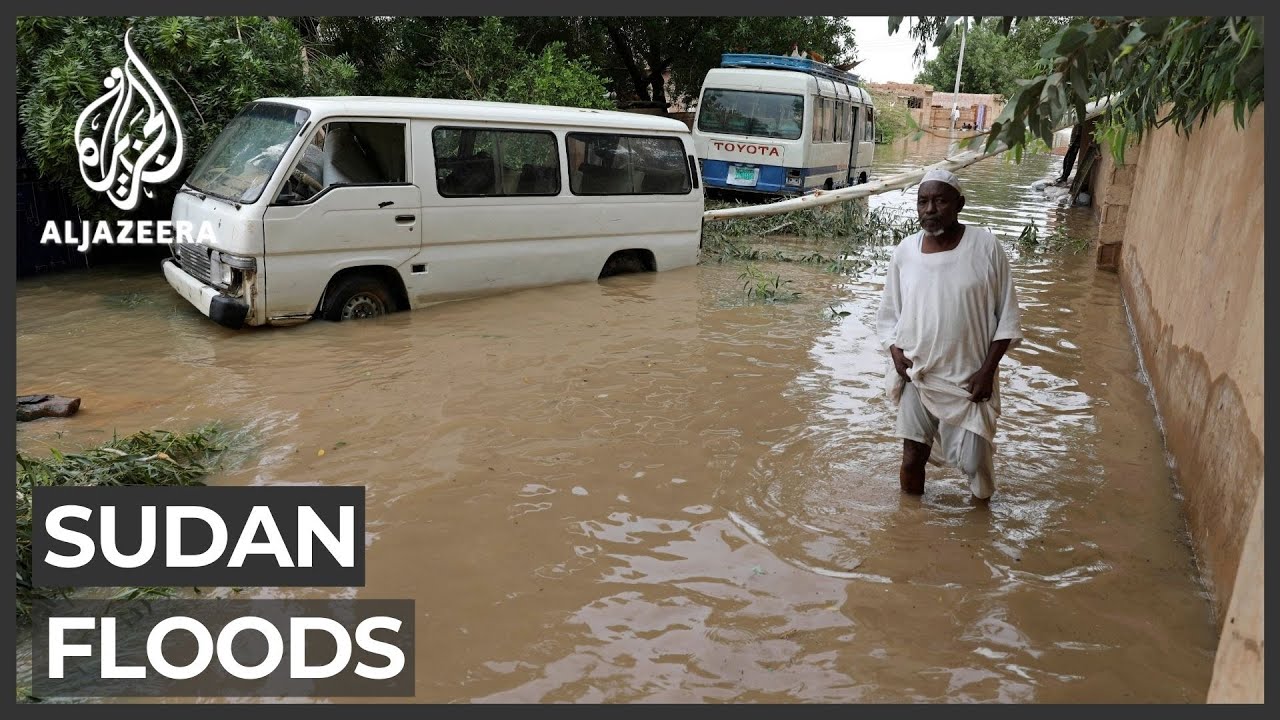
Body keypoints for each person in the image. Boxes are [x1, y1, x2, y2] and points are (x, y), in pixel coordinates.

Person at [875, 168, 1024, 500]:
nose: (930, 209)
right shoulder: (905, 252)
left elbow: (1007, 318)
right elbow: (888, 314)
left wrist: (987, 372)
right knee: (913, 457)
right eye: (923, 201)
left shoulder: (986, 247)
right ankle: (910, 524)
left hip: (969, 378)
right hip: (918, 372)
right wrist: (894, 350)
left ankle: (979, 518)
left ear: (960, 204)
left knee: (974, 464)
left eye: (940, 200)